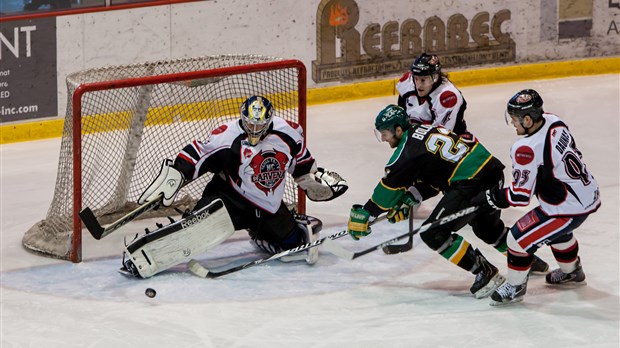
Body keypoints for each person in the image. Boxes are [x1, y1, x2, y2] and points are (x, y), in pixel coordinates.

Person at [121, 95, 348, 278]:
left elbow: (302, 165)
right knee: (195, 231)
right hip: (229, 200)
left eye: (260, 124)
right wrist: (177, 174)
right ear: (242, 117)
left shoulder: (288, 134)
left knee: (294, 243)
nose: (254, 129)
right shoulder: (228, 137)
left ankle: (279, 228)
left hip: (267, 207)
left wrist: (314, 182)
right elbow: (200, 153)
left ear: (269, 121)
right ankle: (142, 255)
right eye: (250, 123)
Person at [347, 104, 513, 299]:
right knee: (487, 228)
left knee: (433, 232)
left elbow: (388, 189)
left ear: (398, 130)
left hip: (472, 182)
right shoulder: (423, 131)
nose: (383, 138)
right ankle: (525, 260)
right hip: (491, 173)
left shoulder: (407, 150)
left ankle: (486, 272)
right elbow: (437, 177)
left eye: (385, 133)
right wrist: (410, 198)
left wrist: (367, 212)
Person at [472, 89, 601, 305]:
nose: (513, 123)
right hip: (586, 193)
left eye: (514, 119)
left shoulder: (526, 148)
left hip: (566, 207)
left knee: (517, 239)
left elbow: (521, 197)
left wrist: (492, 197)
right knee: (559, 234)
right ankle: (572, 272)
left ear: (528, 119)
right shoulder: (554, 121)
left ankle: (515, 287)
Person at [396, 53, 473, 140]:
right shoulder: (407, 81)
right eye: (416, 78)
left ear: (435, 77)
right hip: (418, 139)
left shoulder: (447, 96)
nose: (418, 85)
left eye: (423, 80)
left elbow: (441, 137)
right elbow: (401, 115)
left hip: (453, 144)